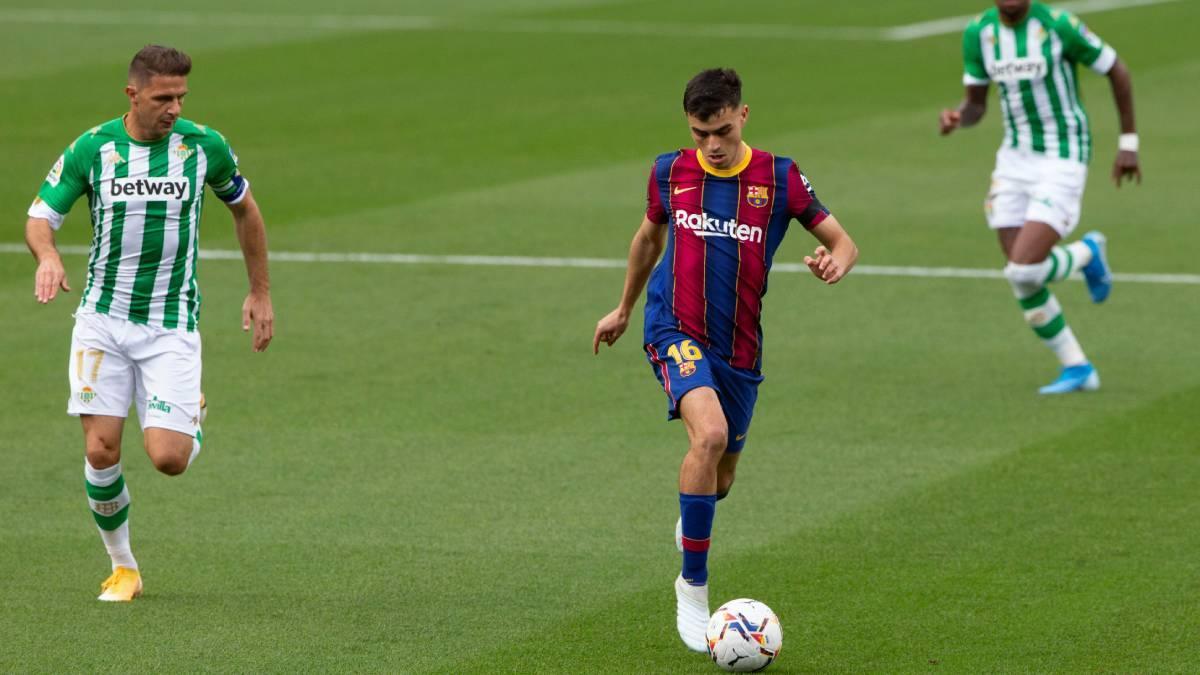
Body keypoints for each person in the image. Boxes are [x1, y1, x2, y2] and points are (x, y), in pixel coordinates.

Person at [592, 68, 858, 652]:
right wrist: (623, 308)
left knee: (722, 477)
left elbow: (842, 240)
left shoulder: (779, 178)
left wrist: (835, 261)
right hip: (674, 328)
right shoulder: (670, 171)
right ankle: (692, 587)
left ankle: (694, 524)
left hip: (738, 345)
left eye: (721, 131)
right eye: (698, 132)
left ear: (742, 116)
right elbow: (647, 241)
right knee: (707, 437)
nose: (711, 145)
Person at [24, 45, 274, 601]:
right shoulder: (94, 148)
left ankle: (193, 413)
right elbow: (41, 216)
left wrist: (260, 292)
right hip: (101, 320)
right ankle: (125, 568)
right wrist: (47, 255)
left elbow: (246, 211)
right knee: (101, 451)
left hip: (169, 325)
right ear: (132, 95)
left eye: (181, 97)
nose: (174, 108)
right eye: (163, 98)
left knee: (168, 460)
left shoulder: (203, 146)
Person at [940, 0, 1140, 393]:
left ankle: (1086, 254)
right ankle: (1078, 367)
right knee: (1023, 278)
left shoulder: (1059, 26)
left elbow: (1117, 70)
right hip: (1014, 158)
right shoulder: (978, 33)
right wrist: (958, 118)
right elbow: (977, 104)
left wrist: (1128, 143)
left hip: (1062, 154)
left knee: (1022, 268)